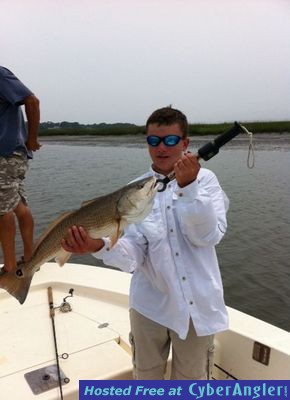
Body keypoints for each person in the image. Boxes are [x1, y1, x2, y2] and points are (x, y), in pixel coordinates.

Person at [61, 106, 229, 380]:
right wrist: (96, 246)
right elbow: (134, 256)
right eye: (153, 140)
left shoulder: (206, 181)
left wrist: (188, 189)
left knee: (191, 383)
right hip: (149, 307)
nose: (161, 148)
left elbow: (209, 237)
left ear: (185, 143)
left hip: (197, 308)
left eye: (170, 140)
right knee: (146, 380)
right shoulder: (134, 190)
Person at [0, 66, 41, 274]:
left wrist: (31, 138)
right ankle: (30, 258)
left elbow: (32, 101)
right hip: (10, 154)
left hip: (5, 154)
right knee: (18, 205)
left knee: (2, 210)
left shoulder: (0, 74)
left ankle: (9, 268)